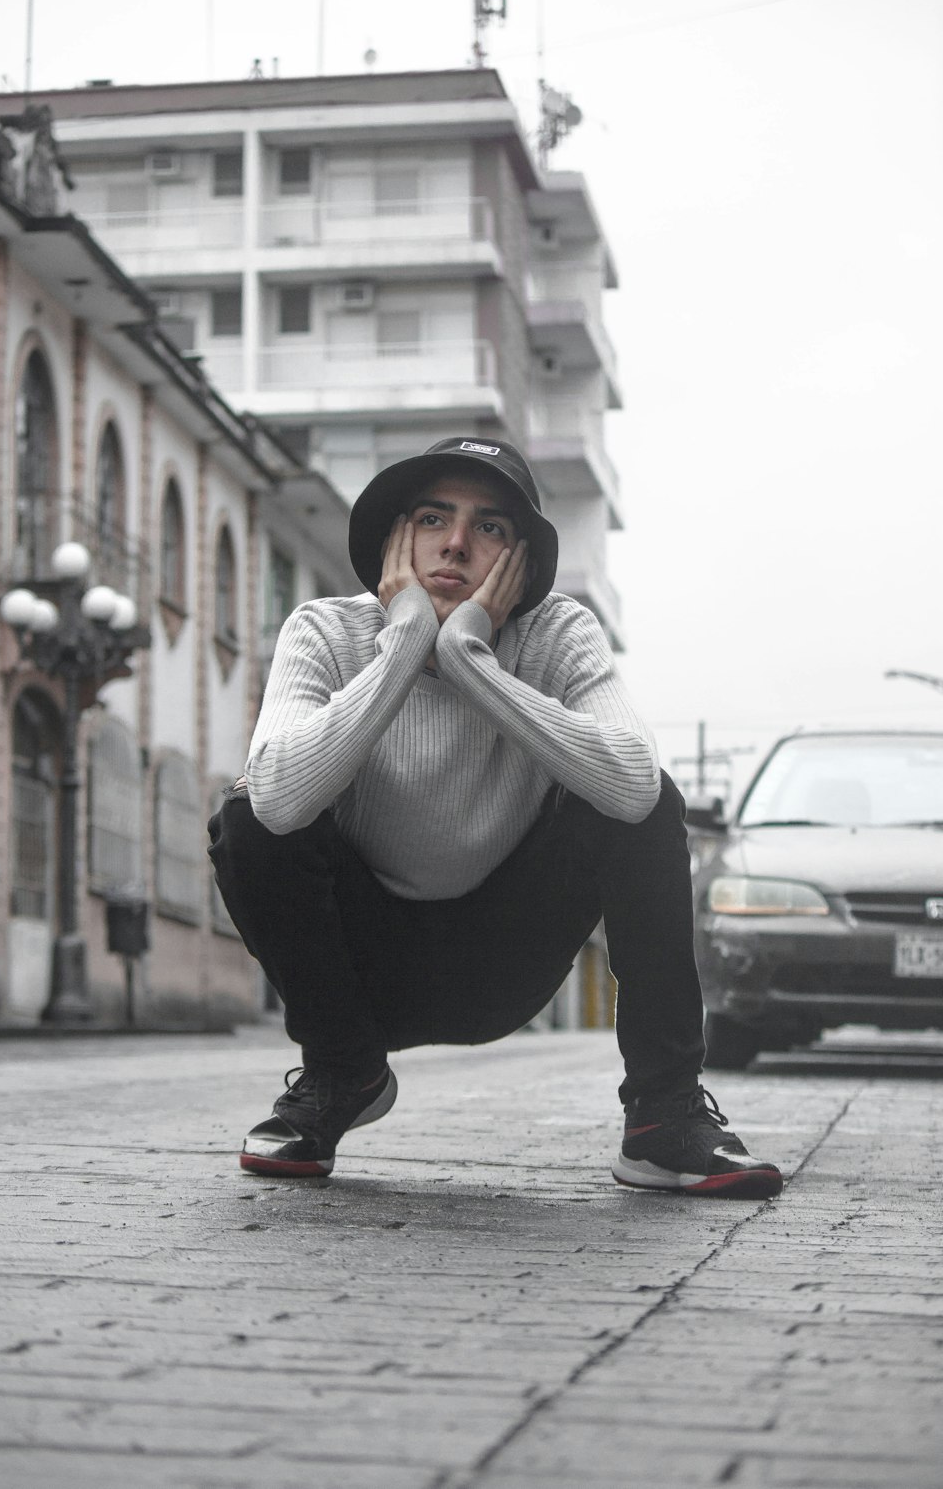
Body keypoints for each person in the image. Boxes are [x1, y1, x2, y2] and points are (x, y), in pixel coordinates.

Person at [208, 436, 783, 1199]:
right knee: (246, 815)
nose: (454, 543)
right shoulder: (324, 631)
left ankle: (663, 1116)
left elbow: (638, 789)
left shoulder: (559, 635)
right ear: (395, 539)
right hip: (365, 968)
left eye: (488, 528)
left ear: (519, 560)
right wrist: (407, 643)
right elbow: (277, 800)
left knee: (639, 797)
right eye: (432, 518)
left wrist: (472, 660)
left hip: (504, 957)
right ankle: (341, 1073)